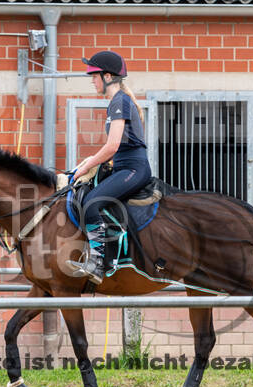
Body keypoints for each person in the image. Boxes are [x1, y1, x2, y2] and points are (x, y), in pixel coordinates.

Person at [67, 51, 152, 285]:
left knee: (91, 202)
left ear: (106, 76)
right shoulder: (117, 102)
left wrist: (87, 164)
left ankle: (98, 263)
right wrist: (88, 164)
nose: (92, 81)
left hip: (134, 169)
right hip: (122, 168)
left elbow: (112, 145)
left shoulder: (120, 102)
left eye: (94, 76)